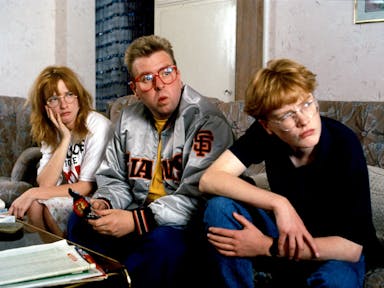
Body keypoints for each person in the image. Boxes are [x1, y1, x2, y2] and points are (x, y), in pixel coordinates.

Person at [67, 34, 234, 288]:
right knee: (79, 221)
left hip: (182, 228)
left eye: (166, 72)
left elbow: (198, 198)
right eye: (146, 79)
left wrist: (136, 221)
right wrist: (105, 202)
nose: (159, 85)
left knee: (162, 244)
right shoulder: (127, 119)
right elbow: (114, 177)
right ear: (134, 89)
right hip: (135, 217)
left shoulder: (206, 122)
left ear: (177, 74)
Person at [199, 58, 384, 287]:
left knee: (337, 279)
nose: (304, 120)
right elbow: (210, 179)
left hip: (333, 250)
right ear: (267, 126)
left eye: (307, 103)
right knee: (220, 208)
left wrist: (267, 246)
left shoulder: (344, 143)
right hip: (285, 233)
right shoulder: (263, 134)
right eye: (287, 115)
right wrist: (280, 204)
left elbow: (352, 249)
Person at [9, 66, 112, 237]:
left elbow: (86, 187)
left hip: (98, 198)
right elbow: (45, 183)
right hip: (69, 195)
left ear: (79, 97)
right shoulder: (54, 129)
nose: (64, 105)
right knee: (35, 206)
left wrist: (31, 192)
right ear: (45, 107)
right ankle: (53, 258)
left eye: (69, 94)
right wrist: (64, 139)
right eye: (54, 99)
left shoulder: (97, 126)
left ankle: (72, 256)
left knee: (44, 205)